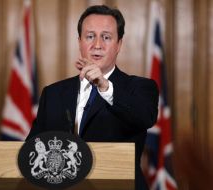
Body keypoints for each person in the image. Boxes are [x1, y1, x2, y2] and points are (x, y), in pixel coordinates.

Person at [26, 5, 159, 190]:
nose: (97, 45)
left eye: (106, 37)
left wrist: (104, 86)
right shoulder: (53, 93)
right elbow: (31, 149)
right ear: (79, 41)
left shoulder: (140, 88)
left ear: (119, 44)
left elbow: (144, 117)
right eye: (90, 36)